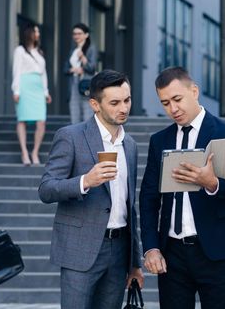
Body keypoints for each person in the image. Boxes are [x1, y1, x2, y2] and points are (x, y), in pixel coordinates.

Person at [139, 67, 225, 309]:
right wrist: (151, 247)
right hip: (172, 254)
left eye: (177, 99)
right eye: (165, 103)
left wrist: (210, 182)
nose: (173, 109)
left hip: (217, 250)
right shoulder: (159, 141)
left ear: (195, 91)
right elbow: (148, 198)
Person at [38, 70, 144, 309]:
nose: (124, 108)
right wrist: (85, 180)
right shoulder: (71, 136)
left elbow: (130, 206)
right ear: (95, 104)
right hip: (80, 249)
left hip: (119, 252)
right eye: (115, 102)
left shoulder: (130, 145)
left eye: (127, 100)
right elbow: (46, 189)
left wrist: (135, 262)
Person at [12, 22, 52, 165]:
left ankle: (35, 152)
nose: (38, 34)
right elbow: (16, 71)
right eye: (36, 32)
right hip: (24, 86)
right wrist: (16, 90)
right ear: (30, 33)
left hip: (38, 88)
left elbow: (44, 74)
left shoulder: (39, 52)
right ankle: (24, 153)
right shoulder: (20, 50)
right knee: (22, 119)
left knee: (41, 121)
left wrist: (46, 92)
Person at [64, 23, 98, 124]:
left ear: (86, 35)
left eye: (79, 33)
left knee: (87, 115)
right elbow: (65, 69)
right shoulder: (73, 50)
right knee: (74, 117)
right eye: (74, 34)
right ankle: (76, 139)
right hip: (74, 83)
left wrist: (83, 57)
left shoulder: (91, 48)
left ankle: (88, 138)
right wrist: (73, 70)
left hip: (86, 84)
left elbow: (92, 68)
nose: (76, 36)